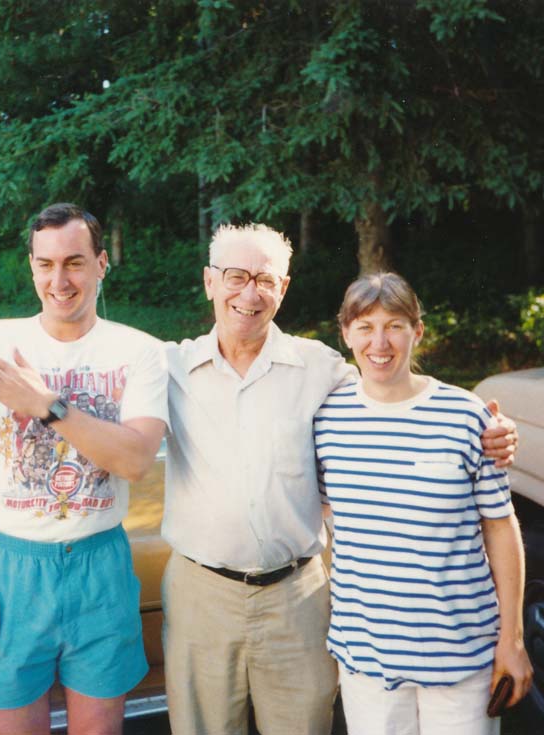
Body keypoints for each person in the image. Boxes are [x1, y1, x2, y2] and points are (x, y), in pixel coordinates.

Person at [161, 224, 518, 735]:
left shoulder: (322, 369)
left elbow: (394, 395)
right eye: (235, 276)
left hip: (296, 596)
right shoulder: (169, 367)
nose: (248, 293)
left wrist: (491, 431)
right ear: (209, 282)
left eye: (264, 278)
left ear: (282, 289)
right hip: (203, 594)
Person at [0, 203, 169, 735]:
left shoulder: (138, 353)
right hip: (9, 567)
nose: (59, 280)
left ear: (102, 263)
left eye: (75, 262)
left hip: (98, 564)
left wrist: (45, 403)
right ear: (32, 267)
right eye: (46, 264)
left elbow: (134, 460)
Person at [314, 272, 532, 735]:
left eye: (394, 325)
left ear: (418, 331)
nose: (380, 342)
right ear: (345, 333)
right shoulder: (325, 420)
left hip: (463, 660)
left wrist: (511, 640)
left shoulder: (466, 416)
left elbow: (500, 526)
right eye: (366, 326)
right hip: (367, 663)